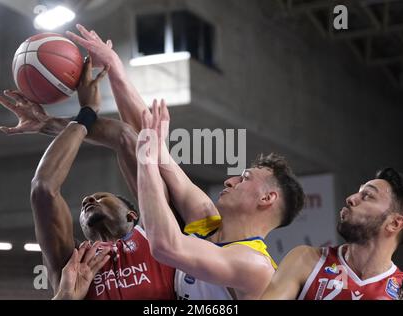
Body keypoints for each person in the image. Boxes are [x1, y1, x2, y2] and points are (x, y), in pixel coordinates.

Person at [63, 24, 306, 300]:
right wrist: (114, 67)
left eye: (245, 178)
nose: (230, 180)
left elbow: (165, 245)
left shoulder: (254, 265)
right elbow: (149, 136)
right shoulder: (206, 221)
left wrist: (146, 157)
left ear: (267, 199)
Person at [0, 56, 176, 300]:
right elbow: (43, 188)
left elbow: (124, 136)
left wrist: (55, 123)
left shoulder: (158, 235)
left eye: (102, 197)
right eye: (86, 203)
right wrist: (85, 114)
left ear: (132, 215)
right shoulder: (71, 264)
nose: (88, 199)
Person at [261, 168, 403, 300]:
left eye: (367, 196)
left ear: (394, 223)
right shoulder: (306, 260)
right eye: (358, 193)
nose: (350, 199)